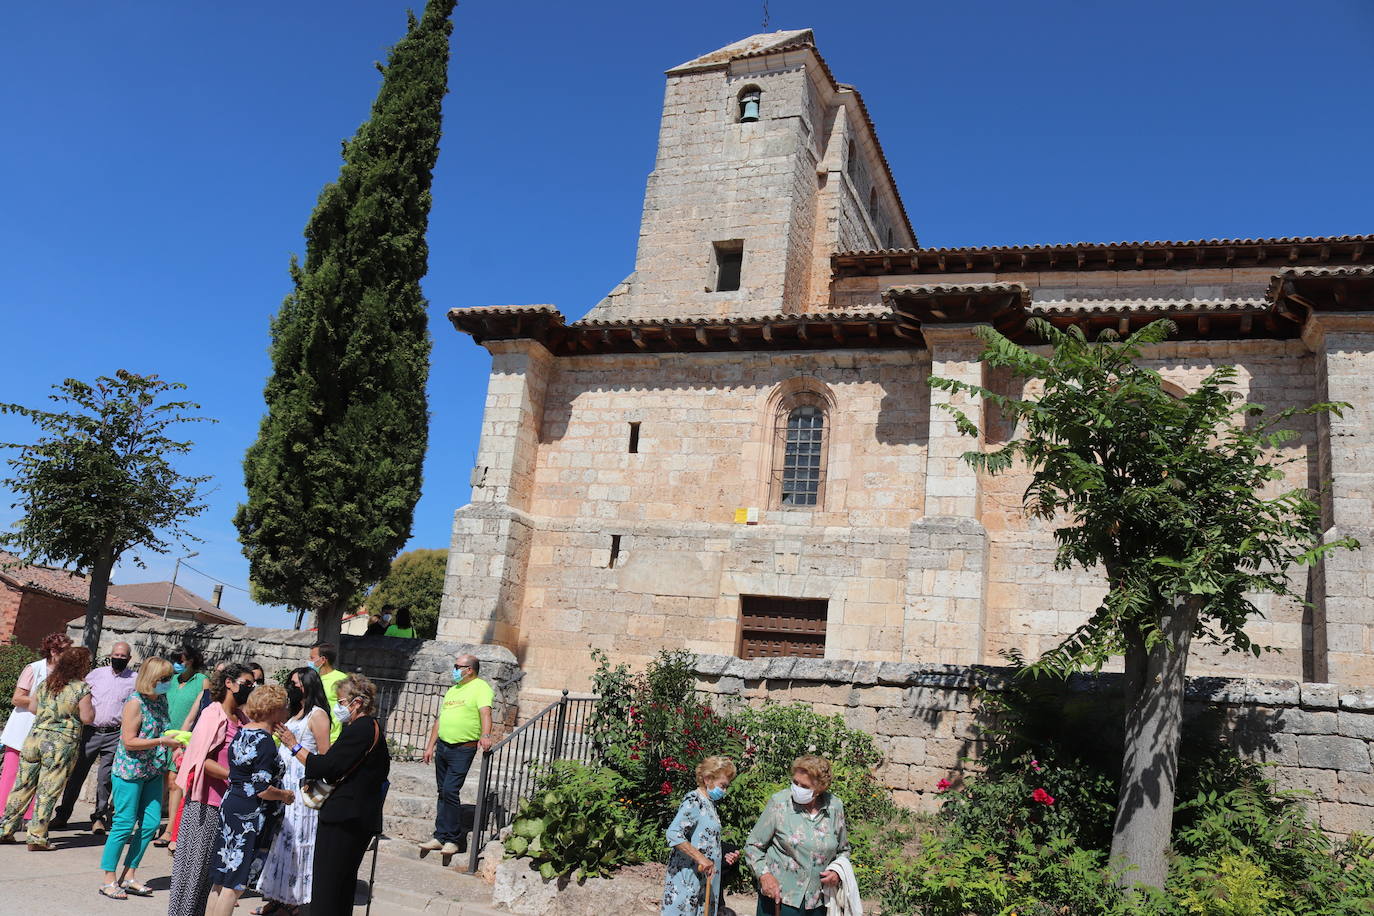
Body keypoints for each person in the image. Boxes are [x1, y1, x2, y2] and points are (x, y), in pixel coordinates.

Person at [278, 673, 390, 915]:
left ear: (357, 702)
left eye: (341, 702)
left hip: (346, 818)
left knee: (330, 885)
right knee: (339, 883)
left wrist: (294, 746)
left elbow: (328, 766)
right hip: (353, 816)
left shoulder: (361, 729)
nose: (339, 707)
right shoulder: (367, 728)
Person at [167, 663, 255, 916]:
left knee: (214, 877)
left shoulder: (242, 719)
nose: (250, 688)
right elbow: (201, 760)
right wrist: (236, 777)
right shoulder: (213, 714)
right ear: (229, 683)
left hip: (231, 806)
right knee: (193, 874)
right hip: (206, 804)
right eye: (246, 683)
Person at [206, 683, 294, 916]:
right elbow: (262, 789)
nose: (287, 712)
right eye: (284, 707)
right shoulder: (264, 742)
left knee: (221, 877)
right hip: (250, 815)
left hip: (231, 805)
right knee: (235, 884)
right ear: (273, 710)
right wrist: (285, 795)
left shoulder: (242, 731)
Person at [97, 656, 181, 900]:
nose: (169, 682)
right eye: (164, 679)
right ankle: (108, 879)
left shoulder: (160, 699)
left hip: (152, 770)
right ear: (151, 678)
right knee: (123, 825)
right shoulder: (135, 702)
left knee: (151, 824)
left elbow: (163, 728)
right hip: (130, 772)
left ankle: (129, 875)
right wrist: (162, 741)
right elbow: (129, 741)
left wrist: (177, 739)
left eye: (169, 678)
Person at [254, 667, 332, 915]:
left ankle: (294, 900)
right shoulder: (294, 713)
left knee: (299, 839)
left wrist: (292, 742)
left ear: (308, 686)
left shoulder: (317, 715)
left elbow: (325, 757)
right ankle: (277, 894)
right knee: (281, 839)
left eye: (296, 684)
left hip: (303, 785)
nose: (292, 687)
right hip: (284, 782)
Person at [0, 646, 95, 849]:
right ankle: (36, 836)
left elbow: (33, 708)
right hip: (61, 745)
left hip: (35, 739)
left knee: (22, 786)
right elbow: (87, 718)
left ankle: (5, 830)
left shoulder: (47, 683)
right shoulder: (81, 688)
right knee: (48, 790)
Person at [744, 756, 849, 916]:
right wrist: (764, 875)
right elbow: (753, 846)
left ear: (820, 787)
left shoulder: (834, 806)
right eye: (795, 782)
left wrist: (837, 874)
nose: (797, 788)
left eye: (804, 786)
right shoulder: (780, 803)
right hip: (780, 899)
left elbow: (843, 850)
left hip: (818, 901)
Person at [53, 641, 136, 833]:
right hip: (90, 732)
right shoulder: (96, 675)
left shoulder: (134, 679)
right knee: (77, 775)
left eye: (123, 656)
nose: (118, 659)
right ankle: (62, 815)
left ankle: (98, 817)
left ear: (129, 659)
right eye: (116, 655)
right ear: (110, 655)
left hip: (115, 733)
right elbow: (79, 695)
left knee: (105, 778)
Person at [419, 653, 493, 855]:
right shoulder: (453, 690)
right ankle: (439, 836)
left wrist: (486, 735)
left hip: (463, 748)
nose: (454, 669)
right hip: (443, 746)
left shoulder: (481, 688)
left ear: (469, 669)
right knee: (442, 791)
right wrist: (430, 746)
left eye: (457, 666)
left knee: (451, 790)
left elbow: (485, 712)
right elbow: (441, 719)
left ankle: (453, 839)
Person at [0, 632, 71, 820]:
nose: (69, 654)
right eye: (66, 650)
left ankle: (27, 816)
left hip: (48, 732)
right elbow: (17, 698)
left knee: (39, 776)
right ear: (53, 651)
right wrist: (46, 705)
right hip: (22, 731)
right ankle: (2, 813)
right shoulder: (34, 669)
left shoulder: (66, 674)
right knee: (12, 774)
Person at [661, 756, 739, 916]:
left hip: (704, 879)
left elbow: (704, 839)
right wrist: (702, 859)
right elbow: (674, 833)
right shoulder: (694, 801)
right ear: (707, 778)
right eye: (722, 786)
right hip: (688, 880)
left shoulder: (709, 803)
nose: (724, 791)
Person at [162, 645, 208, 852]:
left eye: (182, 660)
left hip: (181, 739)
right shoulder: (169, 679)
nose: (178, 664)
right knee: (158, 782)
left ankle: (170, 830)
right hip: (161, 736)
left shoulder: (201, 681)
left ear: (192, 660)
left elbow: (202, 712)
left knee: (174, 783)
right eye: (176, 660)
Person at [309, 644, 348, 744]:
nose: (309, 661)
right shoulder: (311, 678)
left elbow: (347, 708)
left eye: (312, 658)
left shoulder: (341, 679)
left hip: (330, 738)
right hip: (309, 736)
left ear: (323, 660)